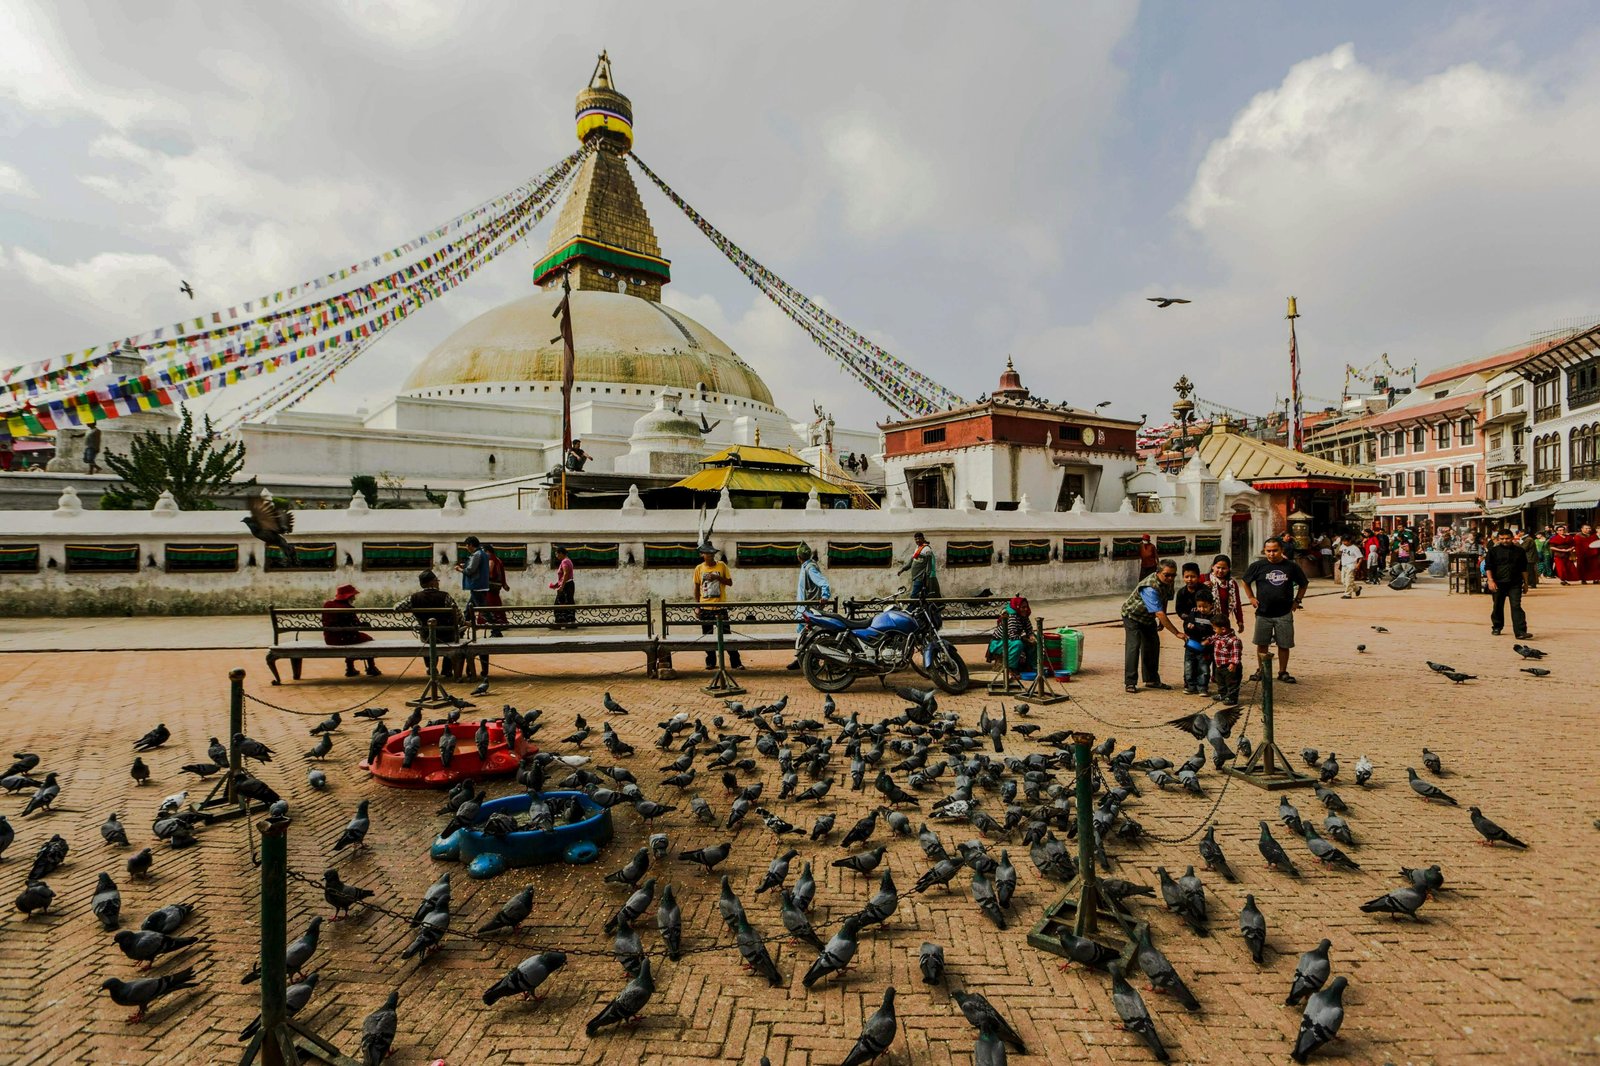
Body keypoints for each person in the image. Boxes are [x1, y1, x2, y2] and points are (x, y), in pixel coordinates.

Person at [1242, 537, 1309, 684]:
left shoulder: (1291, 567)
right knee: (1262, 643)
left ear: (1281, 550)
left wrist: (1297, 601)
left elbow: (1303, 584)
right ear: (1264, 551)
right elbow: (1245, 581)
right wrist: (1251, 597)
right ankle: (1262, 670)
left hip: (1284, 613)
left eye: (1275, 550)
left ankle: (1282, 671)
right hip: (1263, 613)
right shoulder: (1257, 566)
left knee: (1284, 644)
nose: (1271, 554)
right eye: (1268, 551)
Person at [1120, 559, 1182, 693]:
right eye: (1167, 575)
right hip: (1132, 616)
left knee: (1152, 645)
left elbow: (1164, 599)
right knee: (1134, 646)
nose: (1170, 578)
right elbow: (1159, 613)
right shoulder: (1149, 587)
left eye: (1173, 575)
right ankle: (1130, 682)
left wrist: (1162, 621)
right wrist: (1176, 633)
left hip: (1148, 617)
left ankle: (1152, 680)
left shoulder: (1168, 582)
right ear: (1158, 573)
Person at [395, 569, 466, 677]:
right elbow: (457, 616)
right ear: (432, 582)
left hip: (426, 636)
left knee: (427, 638)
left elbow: (397, 608)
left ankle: (430, 666)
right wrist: (464, 623)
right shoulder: (445, 596)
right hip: (446, 635)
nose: (438, 582)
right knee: (458, 633)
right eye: (437, 580)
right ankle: (446, 669)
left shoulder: (414, 597)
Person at [693, 542, 742, 671]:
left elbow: (730, 583)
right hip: (705, 607)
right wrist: (697, 606)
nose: (709, 556)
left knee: (727, 635)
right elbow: (697, 588)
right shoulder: (699, 568)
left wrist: (717, 577)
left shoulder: (722, 566)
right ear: (702, 555)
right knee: (707, 636)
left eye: (711, 553)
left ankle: (735, 662)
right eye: (707, 553)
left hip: (720, 607)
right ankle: (710, 662)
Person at [321, 583, 379, 677]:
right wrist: (365, 624)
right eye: (353, 596)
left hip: (329, 638)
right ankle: (371, 667)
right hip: (344, 639)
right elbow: (355, 626)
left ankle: (350, 668)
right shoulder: (347, 608)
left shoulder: (327, 604)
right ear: (349, 596)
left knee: (351, 637)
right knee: (368, 639)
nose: (354, 598)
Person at [788, 545, 831, 670]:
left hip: (808, 609)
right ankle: (801, 658)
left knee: (809, 635)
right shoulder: (806, 566)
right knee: (802, 633)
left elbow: (823, 583)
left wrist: (825, 595)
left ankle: (811, 661)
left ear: (798, 557)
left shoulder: (810, 568)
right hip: (804, 608)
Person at [1484, 528, 1531, 638]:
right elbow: (1488, 567)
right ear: (1498, 539)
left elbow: (1523, 568)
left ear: (1512, 538)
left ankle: (1520, 632)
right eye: (1502, 539)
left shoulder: (1520, 551)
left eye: (1507, 538)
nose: (1505, 541)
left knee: (1516, 606)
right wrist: (1490, 581)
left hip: (1515, 583)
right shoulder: (1493, 551)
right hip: (1498, 583)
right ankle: (1497, 627)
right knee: (1497, 606)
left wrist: (1526, 583)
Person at [987, 596, 1036, 679]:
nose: (1025, 609)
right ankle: (1010, 668)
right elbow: (1012, 636)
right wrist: (1026, 639)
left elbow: (1028, 629)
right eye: (1023, 607)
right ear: (1017, 607)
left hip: (1011, 639)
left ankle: (1030, 665)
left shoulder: (1024, 615)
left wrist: (1031, 636)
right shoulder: (1012, 617)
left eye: (1026, 607)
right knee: (1018, 644)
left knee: (1035, 641)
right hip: (999, 643)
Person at [1182, 586, 1216, 696]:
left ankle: (1202, 687)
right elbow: (1186, 626)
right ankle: (1191, 686)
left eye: (1205, 607)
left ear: (1211, 605)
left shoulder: (1214, 618)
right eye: (1199, 606)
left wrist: (1208, 640)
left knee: (1204, 668)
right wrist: (1188, 627)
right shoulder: (1193, 613)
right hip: (1191, 646)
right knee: (1189, 667)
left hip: (1205, 648)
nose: (1201, 609)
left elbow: (1216, 633)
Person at [1210, 614, 1244, 708]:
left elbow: (1236, 653)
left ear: (1223, 629)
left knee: (1232, 682)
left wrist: (1233, 664)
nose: (1214, 631)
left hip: (1229, 666)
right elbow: (1211, 639)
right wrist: (1206, 641)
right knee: (1220, 681)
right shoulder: (1218, 636)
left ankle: (1232, 697)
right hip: (1219, 664)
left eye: (1215, 628)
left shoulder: (1234, 640)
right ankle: (1222, 694)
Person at [1207, 554, 1246, 633]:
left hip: (1222, 623)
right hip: (1206, 622)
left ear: (1228, 569)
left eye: (1224, 568)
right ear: (1212, 567)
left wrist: (1240, 621)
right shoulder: (1204, 579)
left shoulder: (1232, 584)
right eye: (1218, 567)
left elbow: (1237, 604)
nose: (1220, 571)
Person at [456, 536, 491, 621]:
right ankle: (462, 629)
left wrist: (460, 569)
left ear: (471, 545)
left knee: (483, 610)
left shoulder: (476, 554)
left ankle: (496, 630)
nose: (466, 548)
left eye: (467, 545)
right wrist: (465, 565)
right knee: (468, 609)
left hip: (476, 585)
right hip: (481, 584)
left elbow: (470, 570)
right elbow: (478, 567)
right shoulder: (483, 554)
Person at [898, 532, 941, 600]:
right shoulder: (918, 548)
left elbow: (929, 566)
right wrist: (902, 569)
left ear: (923, 538)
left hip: (921, 577)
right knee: (922, 596)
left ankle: (910, 610)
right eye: (916, 539)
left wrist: (927, 578)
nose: (917, 540)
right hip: (916, 577)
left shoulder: (927, 549)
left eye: (919, 538)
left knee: (914, 596)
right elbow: (911, 561)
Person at [481, 543, 509, 637]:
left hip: (490, 586)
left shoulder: (491, 559)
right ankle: (501, 621)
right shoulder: (497, 559)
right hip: (496, 586)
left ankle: (493, 623)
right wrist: (504, 584)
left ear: (487, 551)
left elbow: (489, 572)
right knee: (496, 602)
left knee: (489, 604)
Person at [549, 545, 576, 628]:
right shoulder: (568, 561)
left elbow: (566, 574)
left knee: (558, 604)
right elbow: (565, 576)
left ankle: (559, 623)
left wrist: (561, 586)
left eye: (557, 554)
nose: (556, 556)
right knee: (568, 603)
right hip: (569, 584)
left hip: (566, 585)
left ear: (561, 553)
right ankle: (570, 622)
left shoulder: (564, 562)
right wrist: (557, 584)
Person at [1337, 535, 1363, 599]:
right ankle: (1357, 588)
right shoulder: (1342, 546)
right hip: (1344, 564)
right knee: (1343, 581)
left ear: (1350, 541)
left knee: (1349, 580)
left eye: (1345, 541)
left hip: (1351, 565)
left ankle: (1347, 594)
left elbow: (1360, 557)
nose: (1344, 543)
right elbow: (1340, 553)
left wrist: (1358, 565)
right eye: (1343, 541)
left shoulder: (1355, 548)